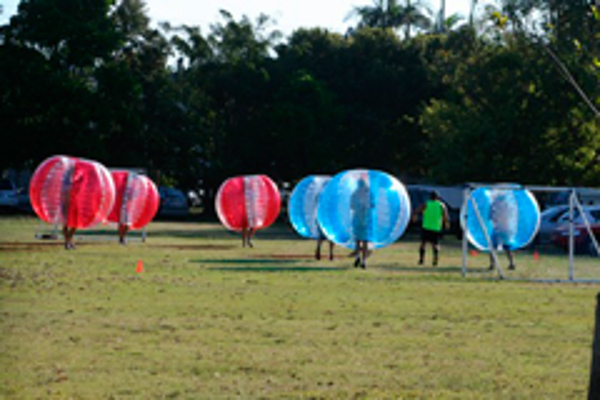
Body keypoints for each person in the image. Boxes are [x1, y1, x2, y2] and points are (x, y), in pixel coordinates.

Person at [413, 190, 450, 266]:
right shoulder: (441, 205)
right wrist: (446, 224)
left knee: (423, 244)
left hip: (426, 226)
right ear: (437, 197)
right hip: (436, 227)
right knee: (435, 244)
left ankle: (421, 260)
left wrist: (415, 217)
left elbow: (417, 211)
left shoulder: (426, 204)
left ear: (430, 197)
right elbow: (445, 216)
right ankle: (435, 259)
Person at [350, 178, 372, 269]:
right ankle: (363, 261)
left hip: (357, 220)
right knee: (365, 242)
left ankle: (358, 257)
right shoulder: (368, 195)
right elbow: (371, 207)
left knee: (357, 241)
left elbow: (351, 206)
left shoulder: (354, 194)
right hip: (365, 221)